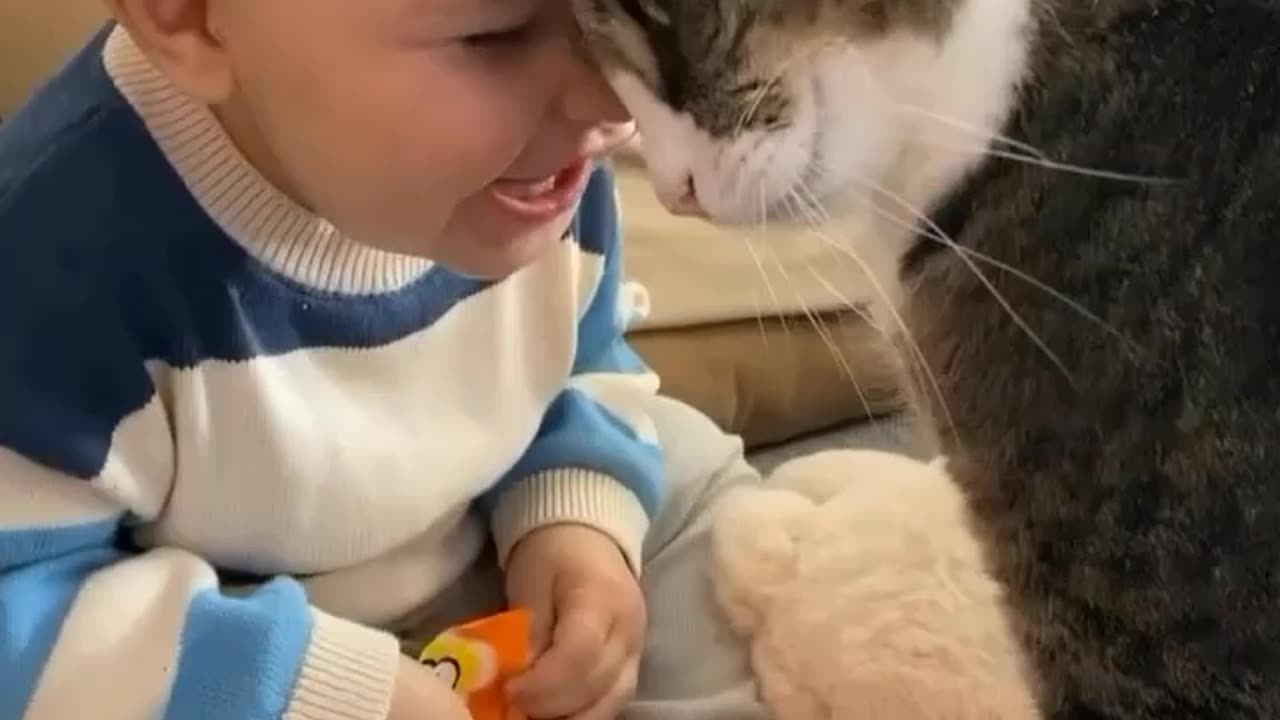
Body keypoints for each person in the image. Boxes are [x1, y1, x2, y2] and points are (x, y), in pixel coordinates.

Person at [0, 1, 771, 719]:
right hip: (233, 638)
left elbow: (582, 350)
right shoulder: (55, 257)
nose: (612, 101)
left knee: (725, 537)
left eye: (619, 13)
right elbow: (20, 603)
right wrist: (306, 685)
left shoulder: (540, 167)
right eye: (493, 37)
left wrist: (576, 521)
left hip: (489, 546)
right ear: (193, 17)